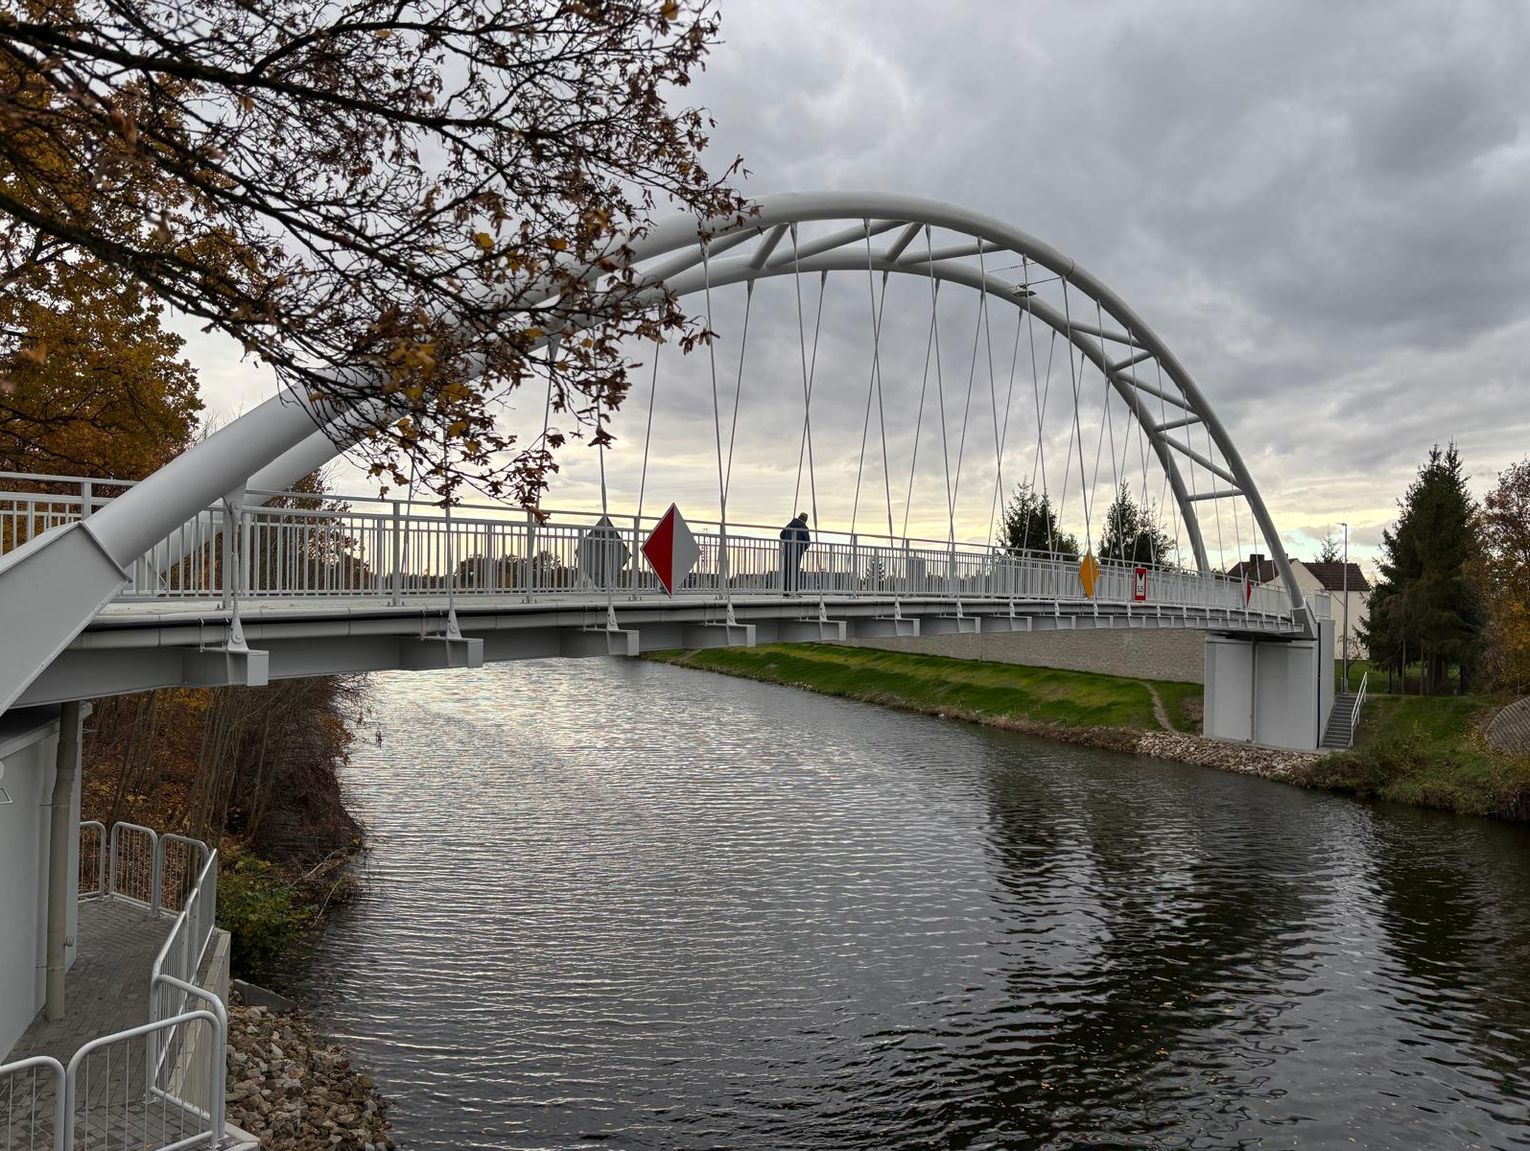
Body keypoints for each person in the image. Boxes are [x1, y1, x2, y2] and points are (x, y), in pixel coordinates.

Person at [780, 511, 810, 593]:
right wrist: (802, 549)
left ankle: (786, 591)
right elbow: (807, 542)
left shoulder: (789, 525)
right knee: (795, 571)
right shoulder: (803, 527)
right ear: (805, 520)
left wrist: (786, 542)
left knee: (787, 570)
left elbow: (781, 535)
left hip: (787, 550)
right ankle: (794, 591)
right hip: (797, 552)